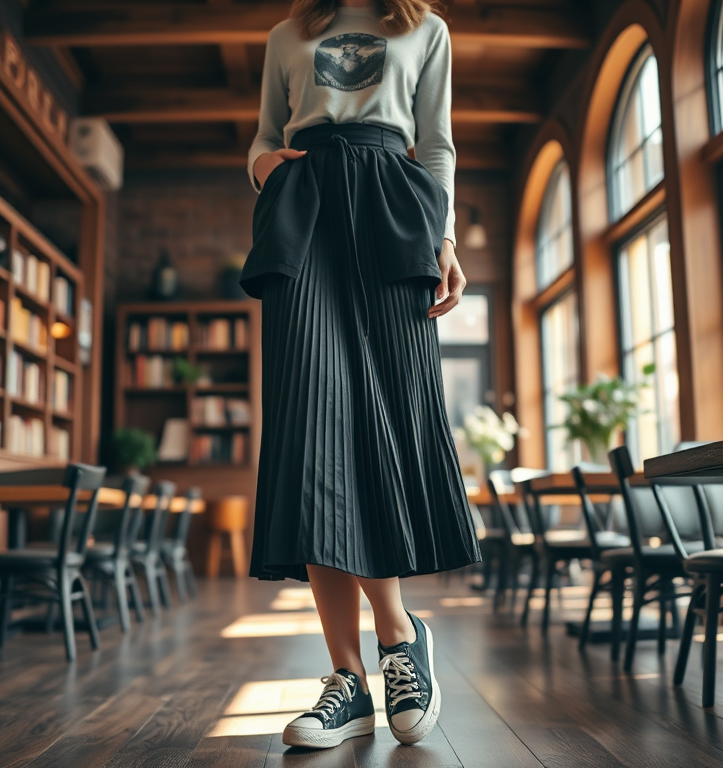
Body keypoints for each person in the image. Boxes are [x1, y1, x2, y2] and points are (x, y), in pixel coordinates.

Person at [241, 0, 482, 750]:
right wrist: (264, 168)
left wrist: (441, 239)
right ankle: (350, 678)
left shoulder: (425, 27)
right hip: (303, 207)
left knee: (381, 417)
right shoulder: (288, 35)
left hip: (390, 206)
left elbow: (436, 143)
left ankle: (398, 633)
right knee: (312, 433)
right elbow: (260, 137)